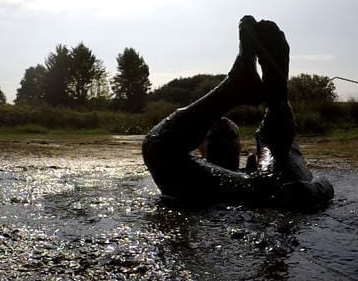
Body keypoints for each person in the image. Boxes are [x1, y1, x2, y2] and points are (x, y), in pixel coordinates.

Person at [142, 15, 333, 209]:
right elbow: (322, 183)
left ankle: (269, 98)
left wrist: (317, 187)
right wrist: (319, 188)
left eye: (230, 139)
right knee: (158, 148)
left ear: (241, 148)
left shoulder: (255, 171)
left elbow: (322, 182)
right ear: (199, 148)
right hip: (234, 193)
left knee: (277, 154)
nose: (223, 145)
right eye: (215, 139)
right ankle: (262, 97)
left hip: (266, 191)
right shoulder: (184, 178)